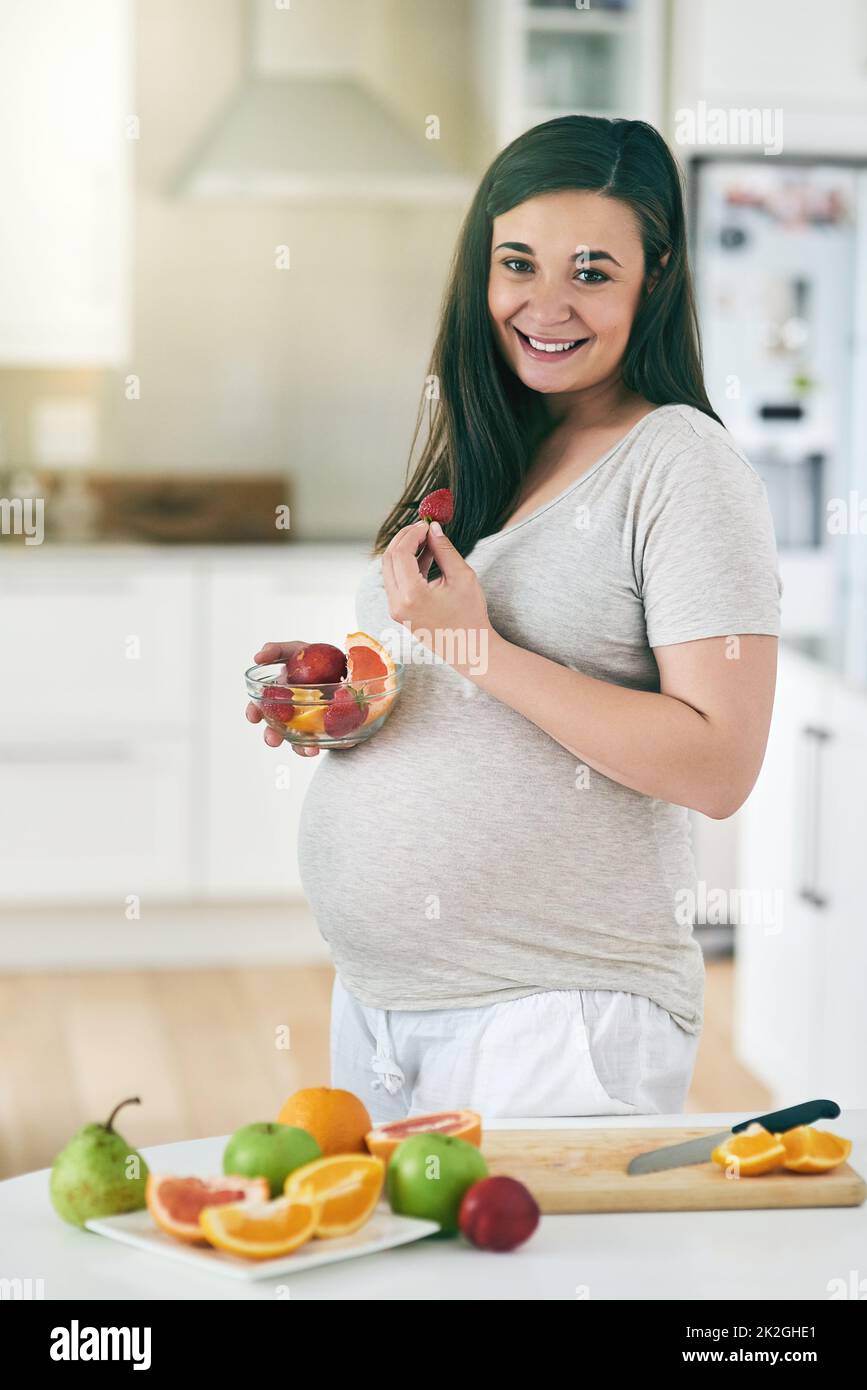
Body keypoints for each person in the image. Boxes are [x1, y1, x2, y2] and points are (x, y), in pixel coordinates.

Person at [247, 116, 782, 1121]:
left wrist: (473, 648)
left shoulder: (680, 466)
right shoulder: (492, 448)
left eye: (591, 271)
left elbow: (720, 765)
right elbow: (464, 686)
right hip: (382, 1003)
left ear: (653, 279)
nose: (547, 305)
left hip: (559, 1015)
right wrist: (349, 691)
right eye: (518, 263)